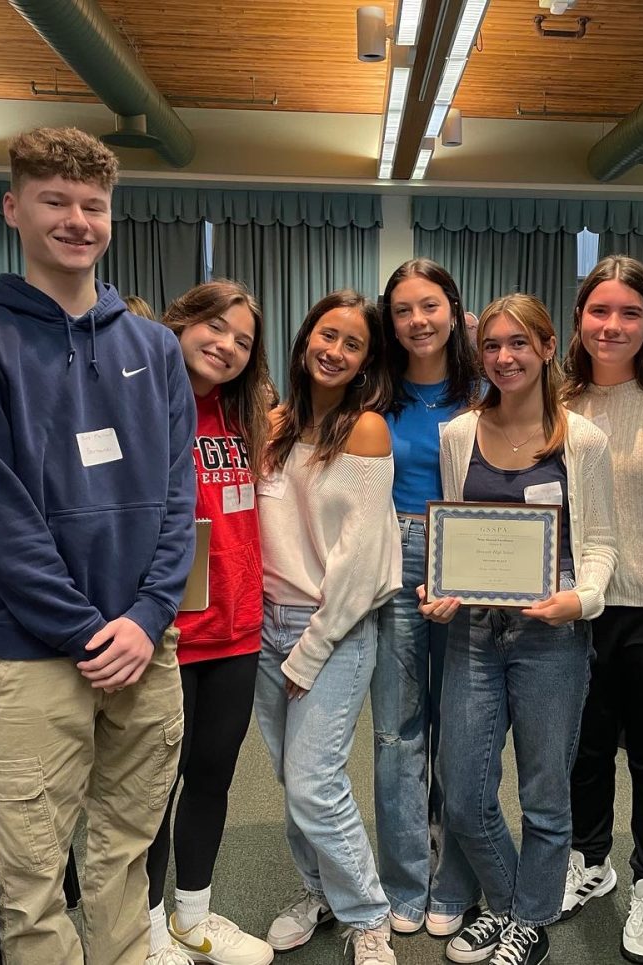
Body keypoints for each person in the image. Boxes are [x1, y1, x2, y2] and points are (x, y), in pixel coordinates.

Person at [0, 126, 196, 965]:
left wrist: (147, 615)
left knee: (125, 849)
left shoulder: (153, 348)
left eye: (92, 204)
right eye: (55, 200)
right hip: (35, 651)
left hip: (144, 643)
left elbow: (178, 496)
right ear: (14, 208)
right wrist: (88, 630)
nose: (76, 219)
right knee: (34, 868)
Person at [421, 293, 617, 965]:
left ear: (545, 347)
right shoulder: (459, 434)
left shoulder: (582, 439)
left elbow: (601, 548)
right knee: (465, 789)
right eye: (494, 345)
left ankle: (527, 921)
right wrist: (439, 589)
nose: (505, 357)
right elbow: (450, 532)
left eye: (518, 344)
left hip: (552, 637)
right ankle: (511, 903)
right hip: (473, 634)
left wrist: (582, 598)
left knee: (544, 793)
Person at [254, 290, 402, 965]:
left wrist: (307, 652)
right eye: (328, 334)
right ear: (305, 334)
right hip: (265, 627)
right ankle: (317, 889)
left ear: (367, 362)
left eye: (353, 344)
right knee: (292, 778)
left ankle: (369, 913)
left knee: (315, 780)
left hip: (334, 630)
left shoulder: (366, 428)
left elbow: (359, 561)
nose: (335, 351)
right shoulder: (274, 422)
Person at [558, 256, 643, 964]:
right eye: (600, 310)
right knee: (581, 748)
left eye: (630, 312)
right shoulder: (556, 402)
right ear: (579, 317)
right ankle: (589, 859)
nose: (612, 325)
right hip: (579, 609)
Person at [143, 281, 275, 965]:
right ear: (182, 323)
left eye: (244, 340)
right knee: (150, 789)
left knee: (212, 777)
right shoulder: (143, 405)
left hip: (236, 628)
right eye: (215, 327)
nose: (226, 345)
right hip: (165, 632)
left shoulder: (245, 415)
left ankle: (194, 913)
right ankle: (147, 927)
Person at [373, 258, 480, 938]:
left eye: (430, 305)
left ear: (453, 308)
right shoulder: (372, 391)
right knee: (398, 729)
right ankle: (405, 881)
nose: (418, 319)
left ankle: (458, 878)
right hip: (393, 551)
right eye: (404, 308)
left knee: (466, 729)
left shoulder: (486, 388)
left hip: (473, 551)